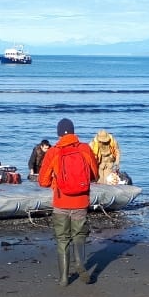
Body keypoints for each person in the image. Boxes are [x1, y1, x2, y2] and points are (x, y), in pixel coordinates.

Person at [38, 118, 98, 286]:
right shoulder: (85, 148)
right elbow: (94, 174)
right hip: (81, 201)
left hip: (61, 202)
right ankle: (79, 263)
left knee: (62, 239)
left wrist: (56, 184)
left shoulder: (53, 152)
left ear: (58, 133)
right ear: (73, 131)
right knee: (79, 235)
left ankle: (64, 278)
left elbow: (42, 181)